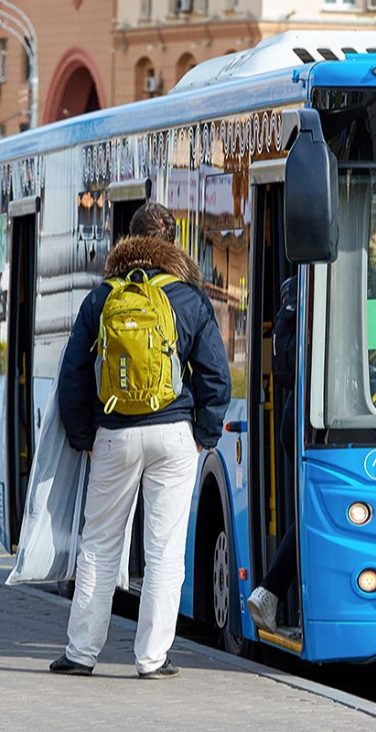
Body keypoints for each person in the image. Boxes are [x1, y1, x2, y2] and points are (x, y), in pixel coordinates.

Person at [50, 202, 231, 678]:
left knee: (100, 543)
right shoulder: (189, 298)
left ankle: (81, 653)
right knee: (165, 548)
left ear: (128, 240)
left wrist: (84, 435)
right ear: (172, 243)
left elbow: (73, 376)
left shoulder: (102, 297)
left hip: (114, 434)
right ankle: (151, 659)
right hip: (174, 435)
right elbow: (215, 376)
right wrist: (203, 435)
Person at [246, 275, 297, 634]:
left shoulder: (289, 304)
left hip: (292, 418)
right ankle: (270, 590)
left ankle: (271, 591)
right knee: (314, 514)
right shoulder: (311, 298)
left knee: (310, 513)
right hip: (306, 422)